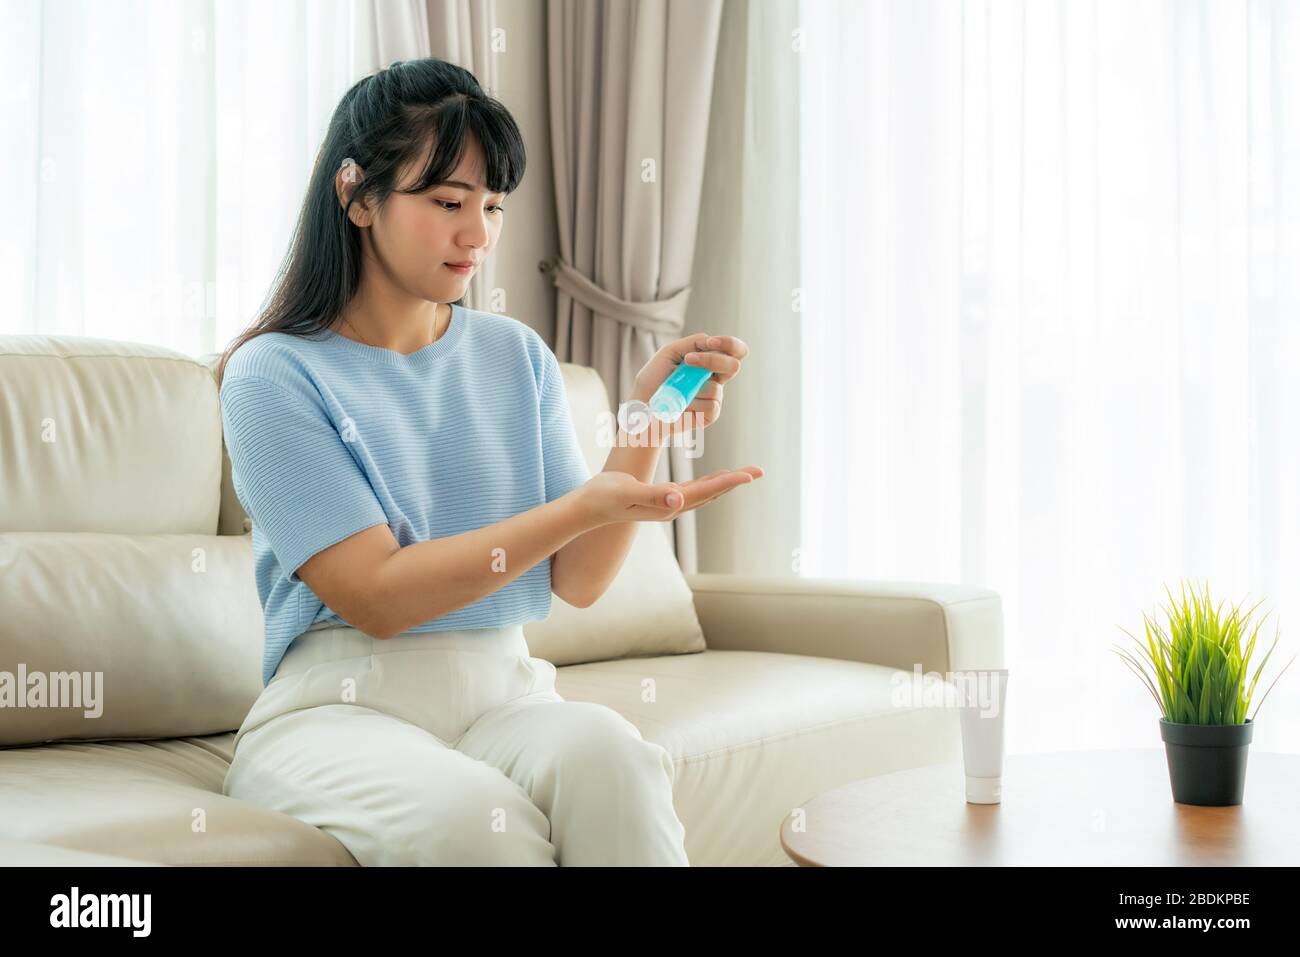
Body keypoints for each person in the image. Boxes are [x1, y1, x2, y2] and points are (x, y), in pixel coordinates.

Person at [213, 57, 762, 866]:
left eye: (494, 205)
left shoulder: (515, 356)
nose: (479, 234)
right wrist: (580, 507)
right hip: (336, 712)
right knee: (471, 821)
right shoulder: (273, 374)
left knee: (617, 761)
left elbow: (576, 579)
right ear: (357, 195)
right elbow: (378, 597)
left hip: (505, 693)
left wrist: (646, 420)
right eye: (447, 202)